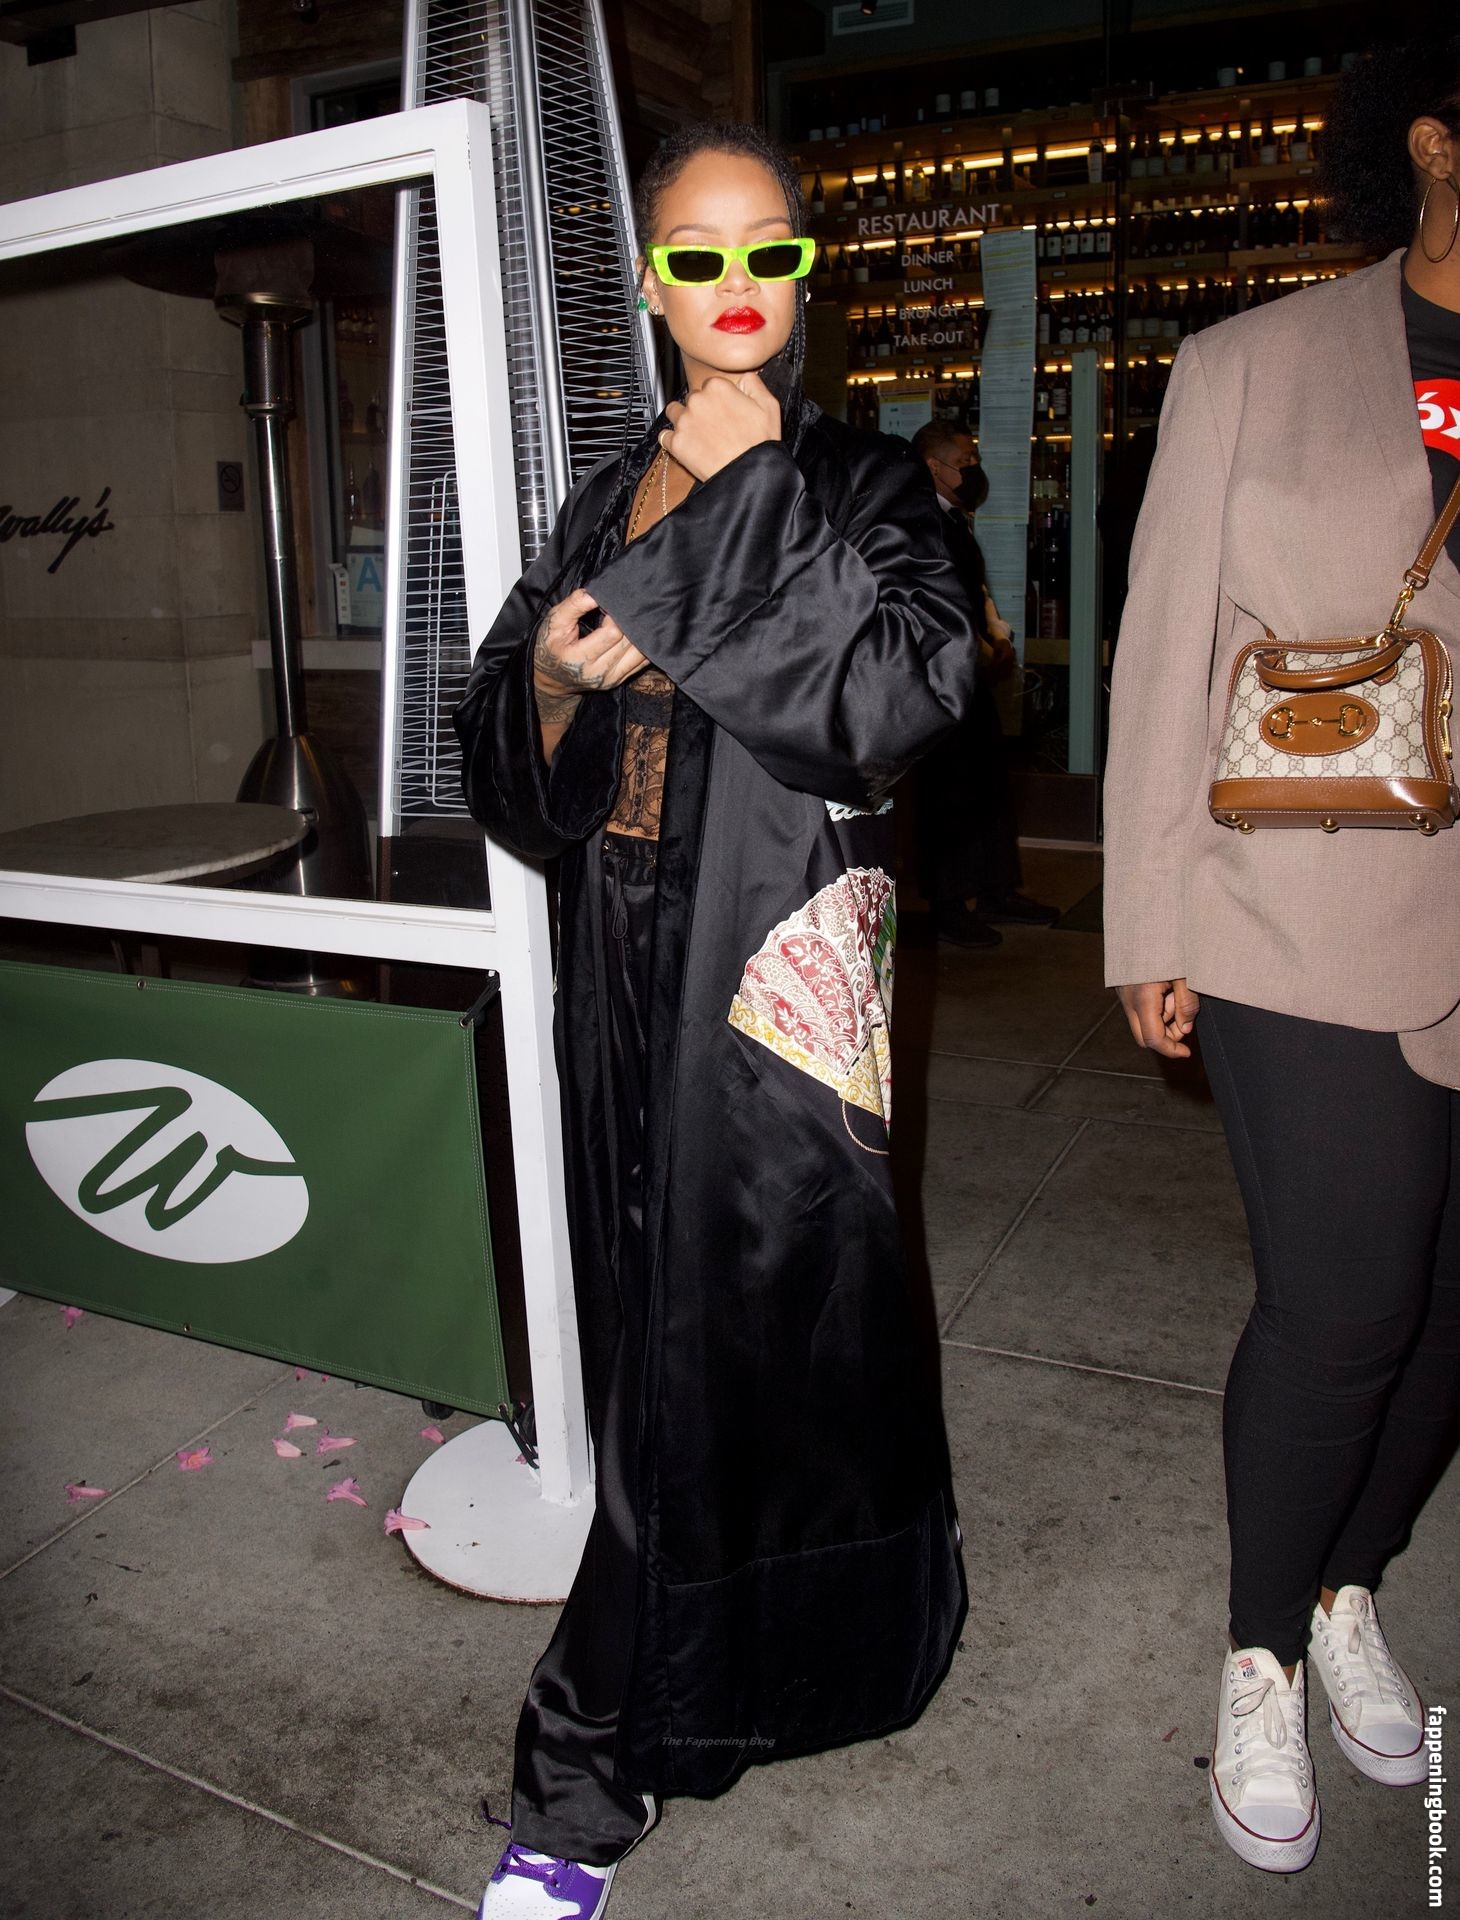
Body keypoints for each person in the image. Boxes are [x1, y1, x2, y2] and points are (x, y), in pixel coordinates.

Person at [452, 123, 975, 1919]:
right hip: (619, 965)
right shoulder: (605, 492)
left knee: (767, 1324)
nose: (736, 285)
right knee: (658, 1337)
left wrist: (753, 491)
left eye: (770, 251)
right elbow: (510, 761)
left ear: (806, 273)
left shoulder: (864, 478)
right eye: (697, 254)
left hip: (778, 988)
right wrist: (549, 675)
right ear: (654, 283)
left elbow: (897, 704)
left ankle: (587, 1765)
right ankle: (751, 1667)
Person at [1103, 31, 1460, 1877]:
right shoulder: (1254, 361)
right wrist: (1146, 918)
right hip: (1297, 908)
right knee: (1346, 1310)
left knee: (1452, 1318)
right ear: (1434, 142)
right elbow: (1167, 650)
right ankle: (1258, 1648)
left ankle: (1346, 1588)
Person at [909, 421, 1057, 946]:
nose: (974, 470)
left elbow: (974, 590)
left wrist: (997, 635)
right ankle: (948, 904)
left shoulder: (956, 520)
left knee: (989, 781)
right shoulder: (920, 521)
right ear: (934, 467)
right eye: (964, 462)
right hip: (941, 677)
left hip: (971, 671)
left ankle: (996, 887)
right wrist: (980, 645)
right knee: (950, 790)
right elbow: (932, 600)